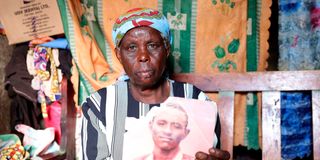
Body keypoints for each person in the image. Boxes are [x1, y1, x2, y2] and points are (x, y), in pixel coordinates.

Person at [81, 8, 230, 160]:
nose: (143, 56)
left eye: (152, 45)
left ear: (166, 49)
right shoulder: (99, 106)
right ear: (119, 55)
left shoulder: (197, 101)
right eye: (132, 47)